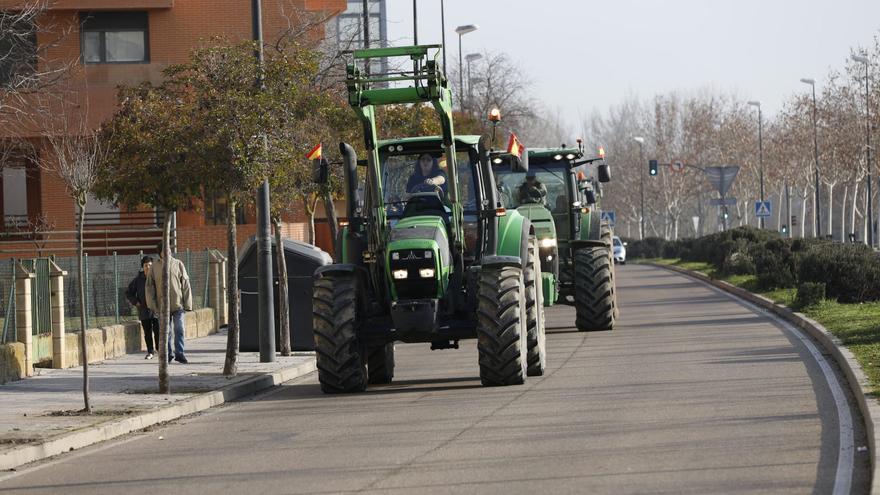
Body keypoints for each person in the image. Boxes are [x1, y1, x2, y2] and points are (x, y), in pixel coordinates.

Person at [146, 244, 193, 364]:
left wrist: (188, 304)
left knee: (179, 328)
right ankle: (168, 354)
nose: (168, 251)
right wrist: (153, 305)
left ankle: (180, 353)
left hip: (178, 305)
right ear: (160, 252)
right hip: (162, 306)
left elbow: (186, 284)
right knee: (166, 332)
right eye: (165, 250)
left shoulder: (178, 264)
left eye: (169, 249)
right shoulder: (154, 267)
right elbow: (149, 287)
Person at [125, 256, 160, 360]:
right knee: (147, 331)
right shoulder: (138, 280)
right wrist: (136, 302)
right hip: (144, 310)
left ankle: (159, 349)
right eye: (146, 265)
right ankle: (150, 351)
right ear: (142, 267)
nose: (148, 267)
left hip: (155, 309)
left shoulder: (156, 277)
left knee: (157, 330)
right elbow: (128, 292)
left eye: (150, 265)